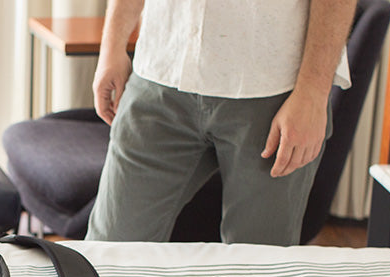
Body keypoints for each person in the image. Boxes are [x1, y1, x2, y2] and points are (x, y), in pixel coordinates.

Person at [86, 0, 356, 245]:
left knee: (254, 273)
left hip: (272, 94)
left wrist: (313, 93)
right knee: (108, 253)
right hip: (160, 73)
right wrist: (112, 47)